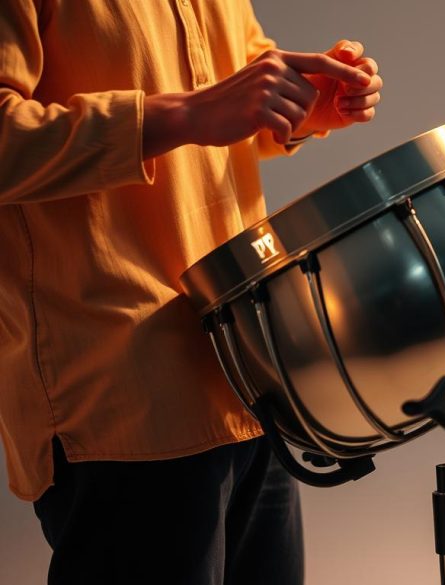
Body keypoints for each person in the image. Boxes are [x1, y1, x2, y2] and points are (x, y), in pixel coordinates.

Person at [0, 1, 383, 583]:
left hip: (249, 370)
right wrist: (186, 113)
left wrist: (305, 104)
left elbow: (234, 88)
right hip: (124, 396)